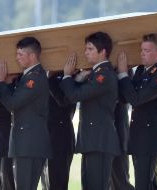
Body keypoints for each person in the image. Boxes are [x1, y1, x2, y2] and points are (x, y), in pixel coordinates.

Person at [59, 31, 120, 190]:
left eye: (90, 49)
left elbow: (75, 95)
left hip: (99, 142)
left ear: (103, 52)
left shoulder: (103, 75)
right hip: (93, 141)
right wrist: (78, 78)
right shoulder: (95, 74)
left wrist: (67, 76)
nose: (85, 52)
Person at [0, 37, 52, 190]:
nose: (17, 57)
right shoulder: (29, 76)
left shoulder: (33, 78)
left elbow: (13, 103)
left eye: (20, 54)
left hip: (28, 145)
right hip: (29, 144)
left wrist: (0, 83)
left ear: (32, 56)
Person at [117, 33, 157, 190]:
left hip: (149, 138)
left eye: (146, 50)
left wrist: (124, 74)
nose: (142, 53)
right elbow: (126, 97)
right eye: (141, 50)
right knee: (150, 184)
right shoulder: (141, 70)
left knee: (143, 185)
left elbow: (136, 99)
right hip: (138, 137)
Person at [41, 72, 76, 190]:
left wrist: (50, 78)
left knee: (57, 184)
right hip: (46, 139)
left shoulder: (69, 80)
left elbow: (64, 102)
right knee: (47, 184)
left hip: (60, 140)